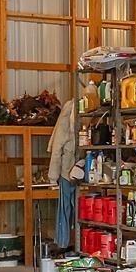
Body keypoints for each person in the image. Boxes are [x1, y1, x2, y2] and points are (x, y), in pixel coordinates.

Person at [46, 96, 80, 251]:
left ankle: (74, 243)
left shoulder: (79, 120)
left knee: (75, 210)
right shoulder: (66, 121)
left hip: (78, 171)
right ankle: (64, 243)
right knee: (66, 210)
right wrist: (53, 177)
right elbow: (56, 150)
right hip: (67, 173)